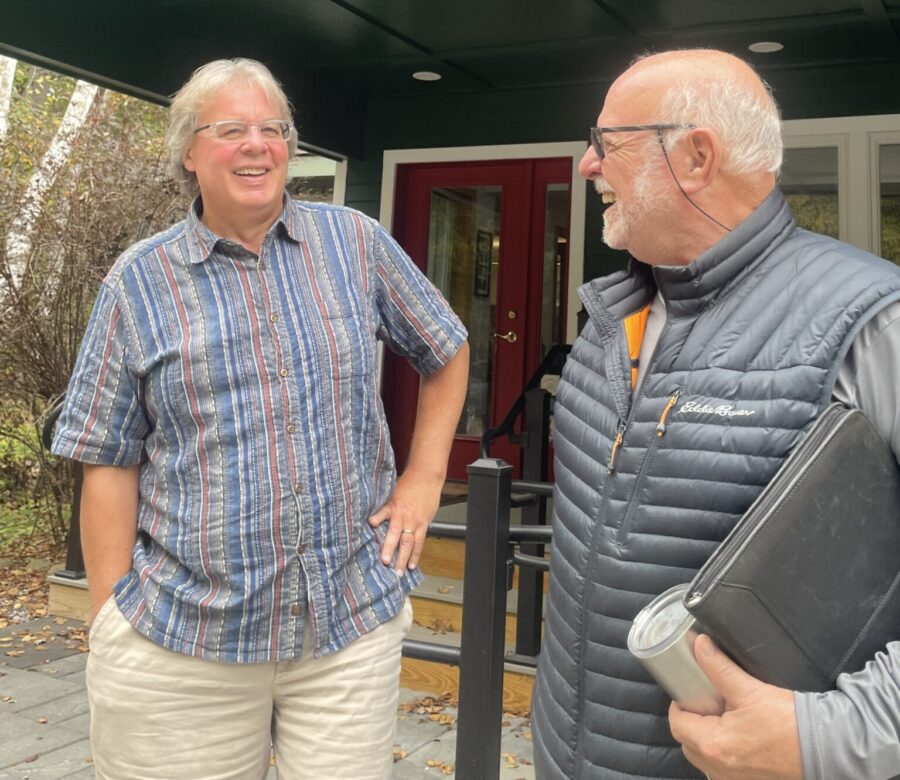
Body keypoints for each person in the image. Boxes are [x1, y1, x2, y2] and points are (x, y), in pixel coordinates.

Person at [51, 58, 469, 780]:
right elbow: (106, 456)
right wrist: (111, 620)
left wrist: (425, 479)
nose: (258, 144)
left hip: (345, 633)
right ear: (189, 151)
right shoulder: (139, 282)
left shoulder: (354, 244)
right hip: (182, 643)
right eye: (233, 129)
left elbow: (447, 347)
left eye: (273, 128)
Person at [530, 48, 900, 780]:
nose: (586, 166)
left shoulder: (873, 323)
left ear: (696, 156)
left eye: (607, 143)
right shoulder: (612, 320)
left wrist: (833, 735)